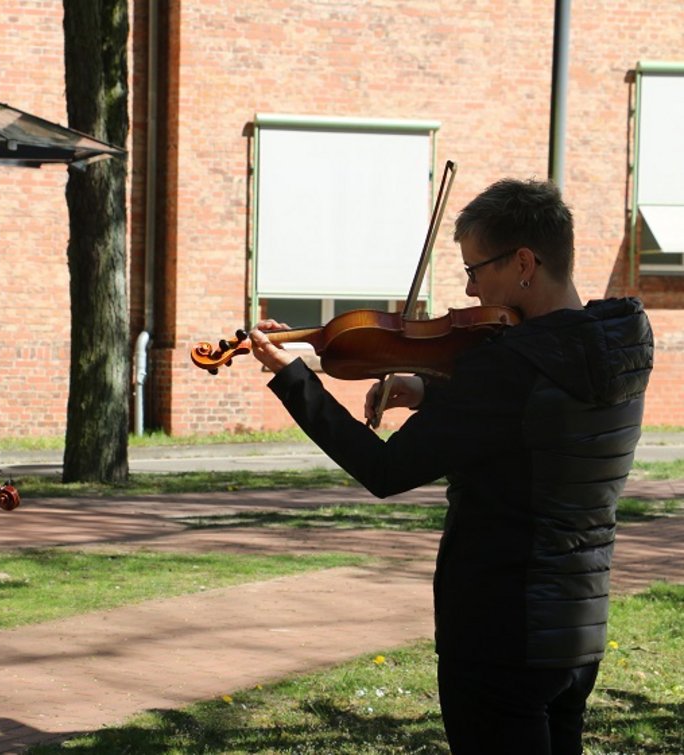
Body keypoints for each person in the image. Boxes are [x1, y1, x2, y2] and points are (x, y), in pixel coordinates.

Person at [247, 178, 653, 754]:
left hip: (499, 629)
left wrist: (294, 380)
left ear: (523, 264)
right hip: (575, 628)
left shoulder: (506, 369)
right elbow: (537, 424)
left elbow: (386, 470)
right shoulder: (618, 342)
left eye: (475, 270)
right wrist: (429, 389)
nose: (469, 288)